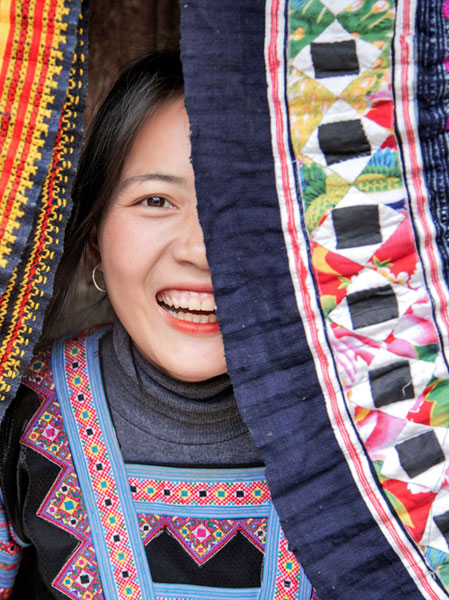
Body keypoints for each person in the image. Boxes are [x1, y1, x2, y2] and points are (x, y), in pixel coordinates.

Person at [0, 52, 316, 599]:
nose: (201, 250)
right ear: (96, 233)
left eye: (246, 204)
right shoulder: (22, 407)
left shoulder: (369, 422)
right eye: (155, 199)